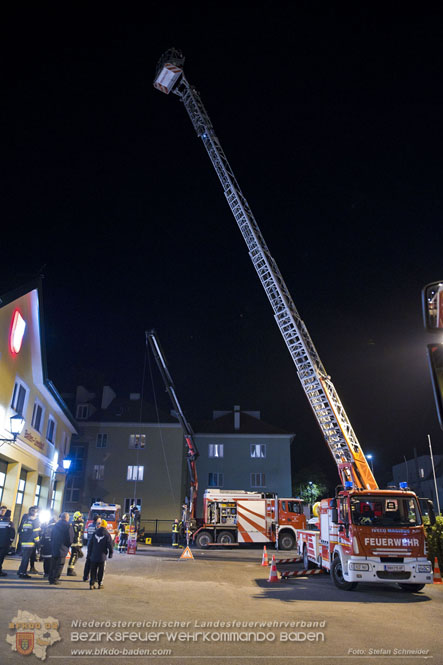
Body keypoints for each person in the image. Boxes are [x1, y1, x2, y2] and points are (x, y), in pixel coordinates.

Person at [48, 513, 74, 585]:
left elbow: (52, 535)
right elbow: (70, 538)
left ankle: (51, 578)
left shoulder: (56, 525)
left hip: (54, 546)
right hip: (63, 548)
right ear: (67, 518)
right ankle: (55, 579)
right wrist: (68, 545)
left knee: (53, 563)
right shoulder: (68, 526)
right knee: (60, 564)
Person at [87, 519, 113, 589]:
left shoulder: (95, 533)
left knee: (93, 570)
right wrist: (110, 553)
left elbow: (90, 544)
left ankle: (91, 584)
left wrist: (89, 553)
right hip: (102, 556)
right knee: (101, 571)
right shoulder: (107, 534)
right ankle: (100, 584)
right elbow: (110, 545)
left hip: (94, 555)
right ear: (106, 526)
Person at [17, 507, 41, 578]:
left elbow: (21, 531)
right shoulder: (35, 521)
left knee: (24, 558)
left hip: (24, 542)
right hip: (30, 543)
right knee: (26, 559)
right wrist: (38, 542)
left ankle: (20, 571)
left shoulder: (26, 520)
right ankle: (23, 573)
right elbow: (36, 533)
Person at [83, 516, 101, 582]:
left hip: (89, 544)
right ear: (97, 520)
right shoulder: (97, 527)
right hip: (94, 546)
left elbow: (88, 535)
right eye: (99, 520)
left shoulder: (90, 526)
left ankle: (85, 576)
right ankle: (94, 577)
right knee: (94, 562)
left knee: (88, 561)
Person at [67, 512, 84, 576]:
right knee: (74, 556)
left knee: (76, 556)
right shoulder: (75, 524)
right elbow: (78, 530)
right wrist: (81, 524)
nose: (81, 518)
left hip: (77, 543)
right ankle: (70, 571)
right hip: (75, 543)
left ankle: (71, 569)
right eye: (80, 517)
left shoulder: (76, 523)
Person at [0, 507, 15, 577]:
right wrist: (10, 542)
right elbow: (12, 534)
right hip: (4, 543)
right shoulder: (10, 523)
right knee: (1, 557)